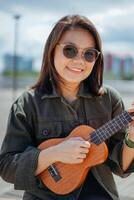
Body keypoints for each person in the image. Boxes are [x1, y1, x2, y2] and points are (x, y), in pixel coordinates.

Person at [0, 15, 134, 200]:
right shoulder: (27, 104)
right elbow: (7, 167)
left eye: (89, 54)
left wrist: (131, 139)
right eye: (70, 50)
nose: (80, 61)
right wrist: (53, 154)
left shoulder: (109, 99)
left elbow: (120, 166)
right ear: (52, 50)